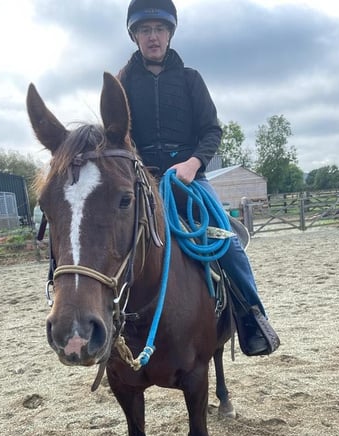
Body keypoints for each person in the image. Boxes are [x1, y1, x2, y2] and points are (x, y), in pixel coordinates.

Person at [117, 0, 279, 356]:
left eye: (159, 29)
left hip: (189, 179)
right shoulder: (123, 82)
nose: (153, 36)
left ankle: (252, 319)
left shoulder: (191, 80)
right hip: (143, 181)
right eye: (145, 30)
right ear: (135, 36)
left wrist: (193, 164)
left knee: (228, 242)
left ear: (170, 33)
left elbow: (211, 132)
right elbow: (117, 135)